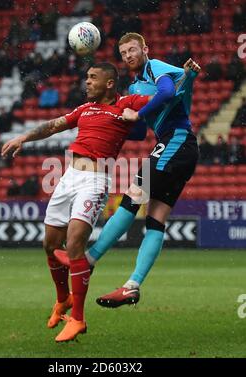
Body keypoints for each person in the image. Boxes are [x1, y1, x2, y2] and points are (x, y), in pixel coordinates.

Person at [1, 62, 151, 342]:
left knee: (74, 245)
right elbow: (53, 125)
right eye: (86, 77)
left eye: (93, 78)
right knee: (49, 244)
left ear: (109, 83)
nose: (87, 82)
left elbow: (161, 98)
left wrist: (142, 111)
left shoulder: (124, 103)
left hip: (95, 181)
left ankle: (78, 319)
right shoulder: (84, 109)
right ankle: (62, 300)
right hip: (68, 177)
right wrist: (24, 137)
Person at [55, 33, 200, 308]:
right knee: (156, 219)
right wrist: (116, 119)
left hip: (177, 140)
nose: (129, 56)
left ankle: (90, 259)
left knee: (133, 197)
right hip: (178, 147)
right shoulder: (134, 88)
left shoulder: (155, 67)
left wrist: (139, 114)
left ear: (145, 49)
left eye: (133, 50)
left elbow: (168, 92)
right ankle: (132, 286)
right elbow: (135, 130)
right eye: (124, 53)